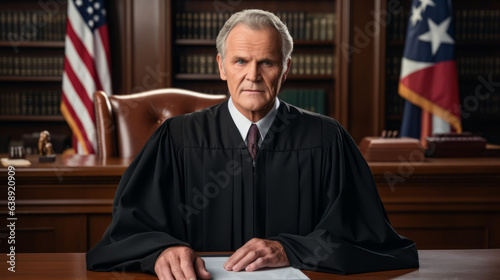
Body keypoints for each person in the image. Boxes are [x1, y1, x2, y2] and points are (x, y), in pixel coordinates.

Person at [86, 9, 419, 280]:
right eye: (241, 61)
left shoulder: (326, 139)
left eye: (267, 63)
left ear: (285, 69)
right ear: (221, 67)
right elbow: (128, 230)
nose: (253, 75)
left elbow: (368, 237)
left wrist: (293, 249)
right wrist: (160, 250)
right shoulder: (176, 139)